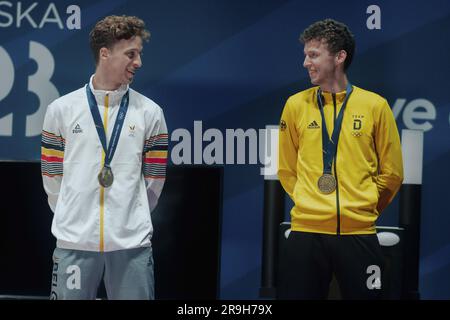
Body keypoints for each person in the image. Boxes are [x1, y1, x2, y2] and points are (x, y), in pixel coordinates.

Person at [41, 15, 168, 300]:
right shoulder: (61, 110)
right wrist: (73, 218)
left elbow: (154, 180)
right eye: (131, 54)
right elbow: (52, 177)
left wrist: (130, 217)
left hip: (131, 244)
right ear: (105, 53)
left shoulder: (150, 113)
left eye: (139, 55)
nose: (139, 63)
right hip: (74, 243)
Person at [277, 19, 403, 299]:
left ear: (339, 56)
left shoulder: (375, 106)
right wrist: (310, 202)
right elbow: (286, 169)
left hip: (359, 233)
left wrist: (362, 208)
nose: (305, 63)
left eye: (313, 55)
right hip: (306, 232)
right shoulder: (295, 105)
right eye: (305, 55)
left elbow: (392, 173)